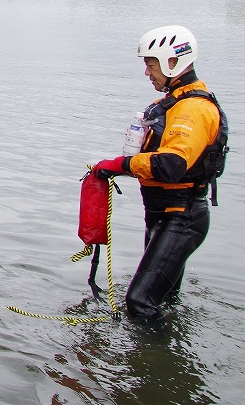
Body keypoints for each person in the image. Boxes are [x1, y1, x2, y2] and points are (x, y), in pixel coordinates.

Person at [92, 25, 228, 323]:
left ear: (172, 62)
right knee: (163, 298)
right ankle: (165, 353)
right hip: (164, 214)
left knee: (139, 302)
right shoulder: (171, 104)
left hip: (181, 218)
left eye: (150, 65)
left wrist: (121, 165)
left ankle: (152, 364)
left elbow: (171, 165)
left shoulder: (193, 109)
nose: (147, 73)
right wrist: (114, 167)